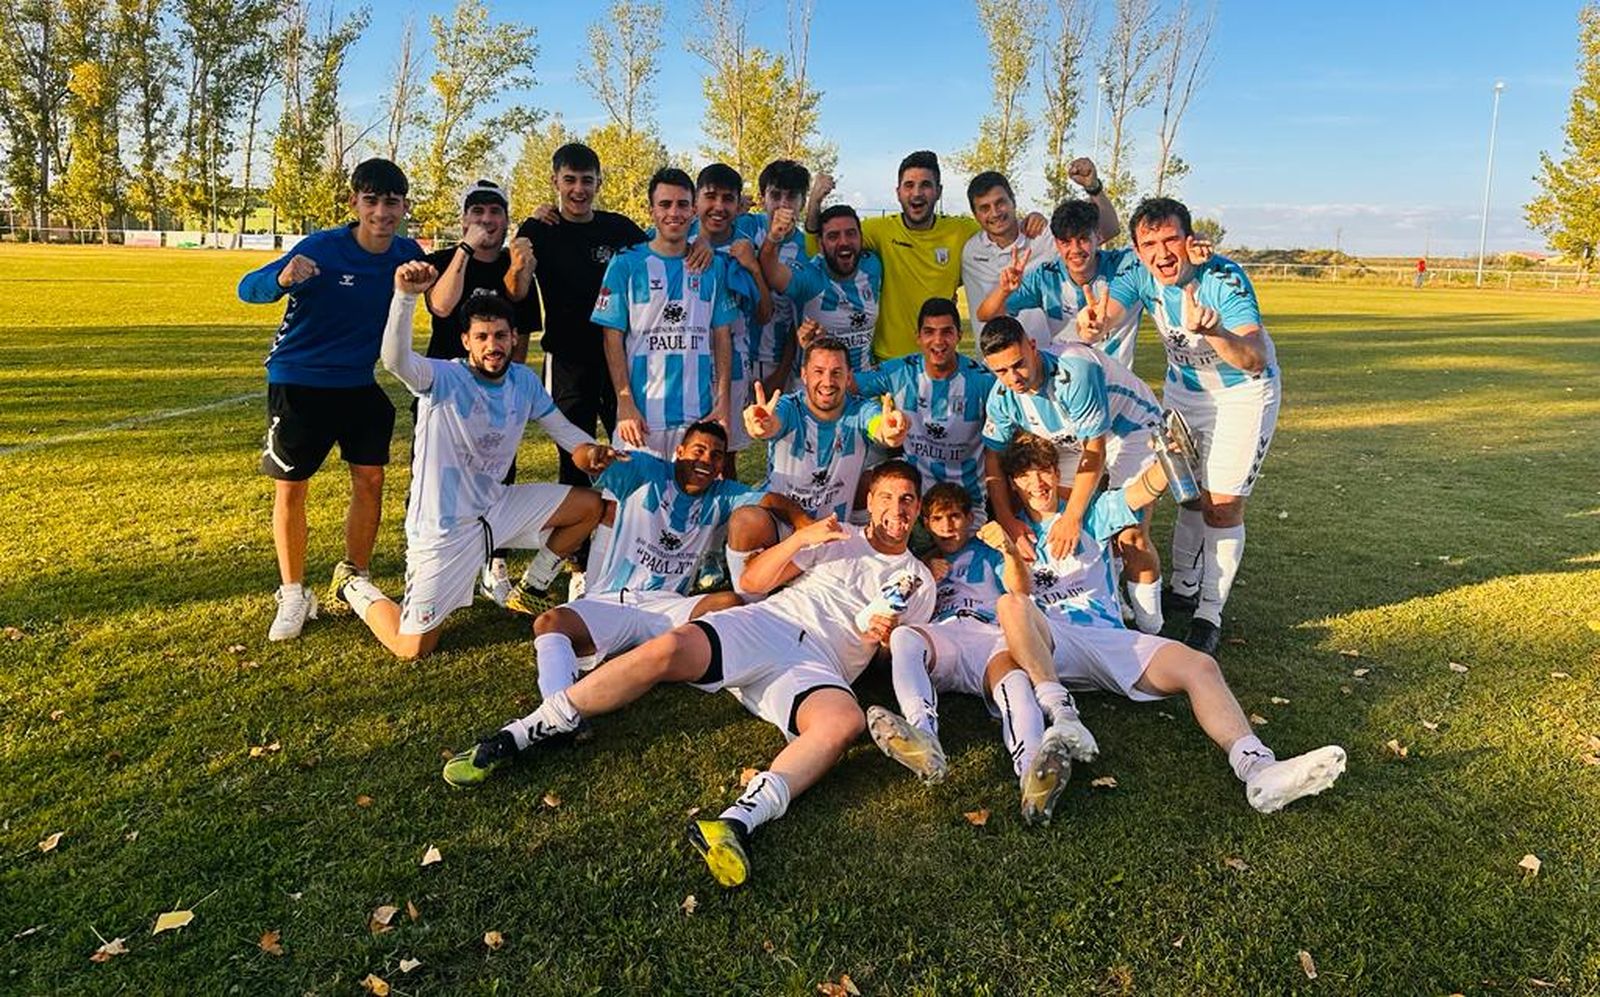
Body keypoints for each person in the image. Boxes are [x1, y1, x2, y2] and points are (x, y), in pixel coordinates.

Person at [440, 461, 937, 890]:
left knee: (842, 723)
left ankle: (736, 822)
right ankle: (524, 731)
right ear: (870, 499)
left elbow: (900, 657)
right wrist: (803, 538)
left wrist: (883, 634)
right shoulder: (836, 537)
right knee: (670, 647)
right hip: (768, 623)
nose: (897, 509)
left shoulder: (919, 580)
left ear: (916, 509)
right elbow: (752, 583)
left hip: (819, 664)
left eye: (908, 500)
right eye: (888, 497)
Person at [981, 433, 1346, 815]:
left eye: (1044, 472)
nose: (1037, 484)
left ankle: (1258, 769)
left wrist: (1167, 457)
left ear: (1057, 473)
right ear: (1012, 484)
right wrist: (1006, 549)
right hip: (1049, 643)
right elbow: (1015, 592)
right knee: (1012, 605)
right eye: (1024, 476)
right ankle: (1064, 715)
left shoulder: (1087, 512)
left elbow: (1140, 491)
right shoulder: (1006, 531)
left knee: (1200, 665)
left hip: (1106, 636)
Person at [331, 263, 619, 659]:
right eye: (482, 336)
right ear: (466, 340)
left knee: (591, 506)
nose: (492, 345)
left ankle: (532, 588)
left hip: (496, 508)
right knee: (412, 647)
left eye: (501, 335)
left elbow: (566, 434)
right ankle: (352, 585)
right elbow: (395, 361)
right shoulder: (441, 378)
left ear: (514, 337)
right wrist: (405, 297)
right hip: (443, 529)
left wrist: (591, 452)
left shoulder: (523, 381)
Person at [237, 157, 424, 642]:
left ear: (403, 206)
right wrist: (282, 278)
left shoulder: (405, 253)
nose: (381, 211)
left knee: (371, 478)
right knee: (292, 486)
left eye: (391, 202)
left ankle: (354, 575)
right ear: (354, 204)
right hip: (299, 380)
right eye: (371, 201)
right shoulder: (321, 247)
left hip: (359, 383)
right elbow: (247, 289)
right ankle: (294, 592)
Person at [1082, 197, 1281, 654]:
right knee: (1187, 493)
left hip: (1241, 394)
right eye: (1149, 242)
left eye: (1171, 238)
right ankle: (1184, 587)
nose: (1162, 252)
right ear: (1137, 247)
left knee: (1222, 506)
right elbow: (1106, 318)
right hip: (1184, 392)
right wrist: (1094, 323)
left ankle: (1209, 612)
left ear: (1190, 241)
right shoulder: (1137, 271)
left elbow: (1255, 359)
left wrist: (1216, 333)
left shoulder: (1222, 278)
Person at [511, 422, 810, 709]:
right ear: (679, 452)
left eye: (716, 455)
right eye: (699, 450)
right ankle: (558, 707)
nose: (706, 459)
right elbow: (583, 459)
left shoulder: (723, 493)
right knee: (549, 623)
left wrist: (806, 526)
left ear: (722, 465)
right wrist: (592, 454)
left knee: (730, 603)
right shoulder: (646, 471)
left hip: (668, 607)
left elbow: (772, 500)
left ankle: (649, 657)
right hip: (615, 599)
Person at [865, 482, 1078, 826]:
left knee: (1017, 683)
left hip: (989, 634)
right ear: (927, 524)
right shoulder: (921, 563)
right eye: (938, 519)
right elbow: (898, 614)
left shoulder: (988, 550)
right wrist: (926, 576)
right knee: (905, 637)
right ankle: (924, 737)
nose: (948, 526)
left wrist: (1008, 552)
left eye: (955, 517)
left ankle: (1033, 773)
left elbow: (1020, 591)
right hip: (945, 636)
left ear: (969, 518)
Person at [978, 316, 1167, 633]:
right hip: (1073, 438)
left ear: (1033, 347)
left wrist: (1074, 516)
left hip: (1129, 430)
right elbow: (993, 457)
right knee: (1051, 511)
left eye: (1018, 364)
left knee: (1129, 534)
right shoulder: (1002, 396)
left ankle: (1153, 628)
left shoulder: (1075, 373)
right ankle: (1104, 592)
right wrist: (1008, 520)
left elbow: (1097, 449)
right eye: (1001, 371)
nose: (1013, 377)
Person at [420, 178, 540, 606]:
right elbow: (442, 306)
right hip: (445, 392)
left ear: (506, 219)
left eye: (495, 213)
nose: (487, 221)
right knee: (439, 476)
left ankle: (495, 563)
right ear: (464, 219)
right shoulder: (443, 259)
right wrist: (465, 250)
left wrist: (512, 392)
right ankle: (435, 560)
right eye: (478, 213)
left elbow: (523, 332)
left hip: (496, 392)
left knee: (498, 476)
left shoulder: (517, 264)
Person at [804, 151, 1047, 363]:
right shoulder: (877, 231)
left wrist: (1032, 219)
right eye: (909, 185)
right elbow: (821, 248)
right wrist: (814, 202)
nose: (917, 193)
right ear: (898, 192)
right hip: (890, 361)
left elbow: (998, 226)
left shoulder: (962, 232)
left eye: (925, 185)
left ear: (938, 192)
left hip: (941, 358)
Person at [725, 336, 909, 596]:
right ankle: (748, 600)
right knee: (745, 521)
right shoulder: (790, 406)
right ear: (804, 375)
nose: (827, 381)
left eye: (836, 373)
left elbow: (877, 425)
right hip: (785, 526)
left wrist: (889, 432)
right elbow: (771, 423)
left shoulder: (860, 409)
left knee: (874, 480)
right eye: (818, 372)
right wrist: (762, 426)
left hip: (832, 529)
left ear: (848, 377)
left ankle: (865, 554)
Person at [515, 143, 647, 491]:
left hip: (618, 356)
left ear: (598, 183)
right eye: (569, 180)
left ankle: (635, 530)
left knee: (635, 446)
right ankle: (575, 545)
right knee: (575, 453)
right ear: (554, 180)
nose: (578, 189)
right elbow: (515, 285)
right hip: (568, 360)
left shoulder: (618, 229)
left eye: (586, 180)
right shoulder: (538, 229)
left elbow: (661, 249)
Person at [594, 167, 737, 461]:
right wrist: (624, 403)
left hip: (697, 417)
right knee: (631, 505)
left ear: (694, 210)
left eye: (683, 204)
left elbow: (722, 336)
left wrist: (723, 402)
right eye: (665, 204)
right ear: (651, 210)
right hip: (641, 417)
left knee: (691, 503)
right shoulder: (626, 264)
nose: (675, 212)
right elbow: (612, 337)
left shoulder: (713, 266)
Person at [853, 298, 995, 521]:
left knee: (958, 556)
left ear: (959, 335)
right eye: (929, 331)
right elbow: (846, 387)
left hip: (964, 501)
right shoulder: (901, 371)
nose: (938, 341)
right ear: (918, 336)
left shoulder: (982, 381)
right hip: (914, 493)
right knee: (860, 485)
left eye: (947, 332)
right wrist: (876, 417)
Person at [961, 160, 1119, 350]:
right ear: (975, 214)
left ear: (1013, 201)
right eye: (984, 208)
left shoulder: (1043, 235)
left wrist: (1093, 187)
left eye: (1000, 202)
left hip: (1046, 361)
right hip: (990, 364)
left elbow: (1109, 230)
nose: (994, 213)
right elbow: (983, 314)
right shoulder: (970, 250)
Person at [976, 197, 1145, 366]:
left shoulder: (1124, 265)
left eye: (1083, 239)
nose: (1075, 250)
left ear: (1098, 237)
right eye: (1066, 242)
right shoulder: (1045, 277)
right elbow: (984, 314)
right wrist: (1004, 290)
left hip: (1115, 385)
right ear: (1057, 243)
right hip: (1066, 382)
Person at [689, 163, 771, 465]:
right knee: (682, 454)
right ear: (697, 201)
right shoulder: (674, 238)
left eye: (728, 199)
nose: (719, 207)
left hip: (734, 368)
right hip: (685, 365)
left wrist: (753, 268)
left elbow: (764, 315)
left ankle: (725, 513)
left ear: (739, 205)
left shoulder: (745, 246)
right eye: (711, 197)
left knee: (724, 458)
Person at [760, 202, 882, 373]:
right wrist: (774, 236)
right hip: (817, 389)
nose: (844, 242)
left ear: (861, 238)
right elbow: (770, 271)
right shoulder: (810, 278)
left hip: (861, 386)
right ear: (820, 245)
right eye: (833, 236)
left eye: (851, 234)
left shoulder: (873, 266)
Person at [743, 160, 812, 396]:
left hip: (777, 364)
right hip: (734, 356)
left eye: (792, 196)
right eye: (775, 195)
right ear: (763, 197)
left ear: (802, 202)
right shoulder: (745, 227)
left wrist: (782, 373)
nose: (783, 204)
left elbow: (800, 316)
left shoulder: (808, 250)